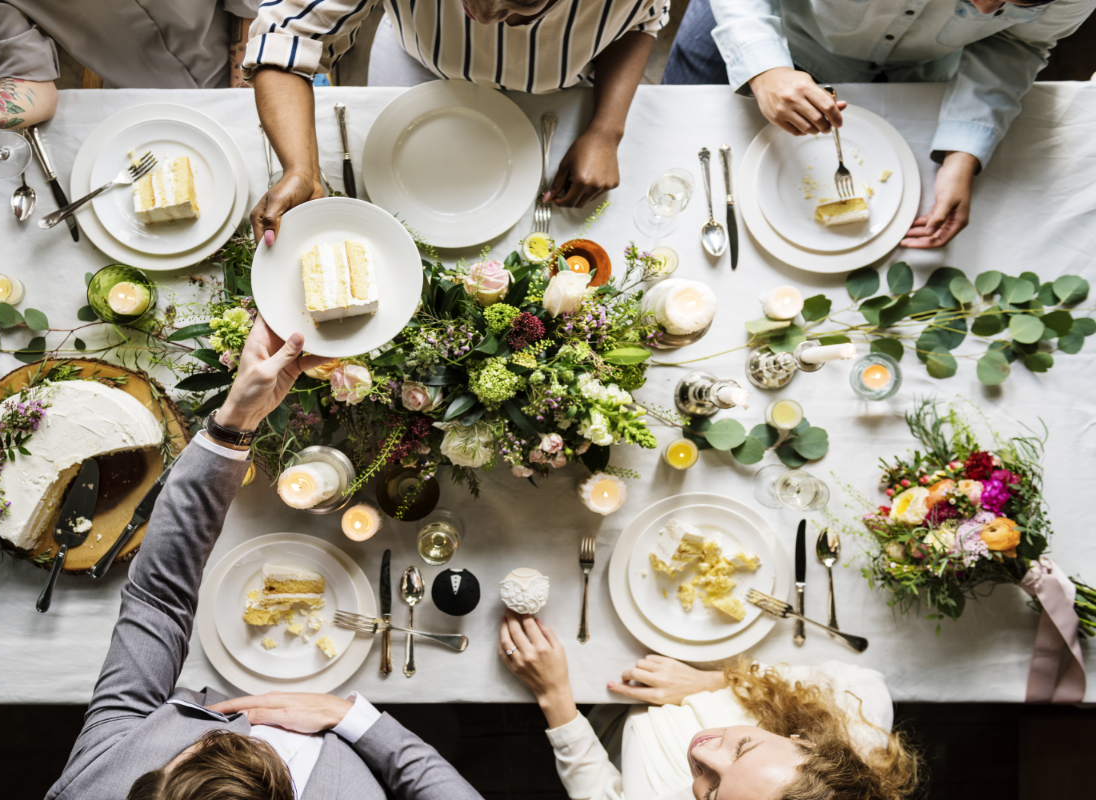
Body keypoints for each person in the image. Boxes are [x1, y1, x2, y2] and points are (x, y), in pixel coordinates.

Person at [45, 319, 485, 800]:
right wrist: (354, 720)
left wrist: (234, 423)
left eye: (200, 739)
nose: (233, 722)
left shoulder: (99, 781)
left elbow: (157, 598)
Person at [662, 0, 1096, 249]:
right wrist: (764, 67)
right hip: (755, 26)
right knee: (671, 164)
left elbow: (1016, 41)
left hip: (913, 69)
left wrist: (964, 152)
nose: (982, 7)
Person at [244, 0, 671, 244]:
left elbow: (644, 17)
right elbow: (288, 35)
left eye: (519, 5)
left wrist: (606, 129)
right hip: (416, 66)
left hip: (553, 93)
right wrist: (301, 168)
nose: (485, 14)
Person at [499, 612, 920, 800]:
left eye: (712, 793)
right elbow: (865, 681)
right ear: (807, 745)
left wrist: (553, 693)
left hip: (611, 720)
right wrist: (709, 682)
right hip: (710, 661)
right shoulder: (856, 736)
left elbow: (596, 791)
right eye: (743, 748)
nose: (699, 752)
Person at [0, 0, 258, 167]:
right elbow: (32, 84)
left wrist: (239, 102)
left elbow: (249, 8)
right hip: (133, 110)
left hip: (250, 71)